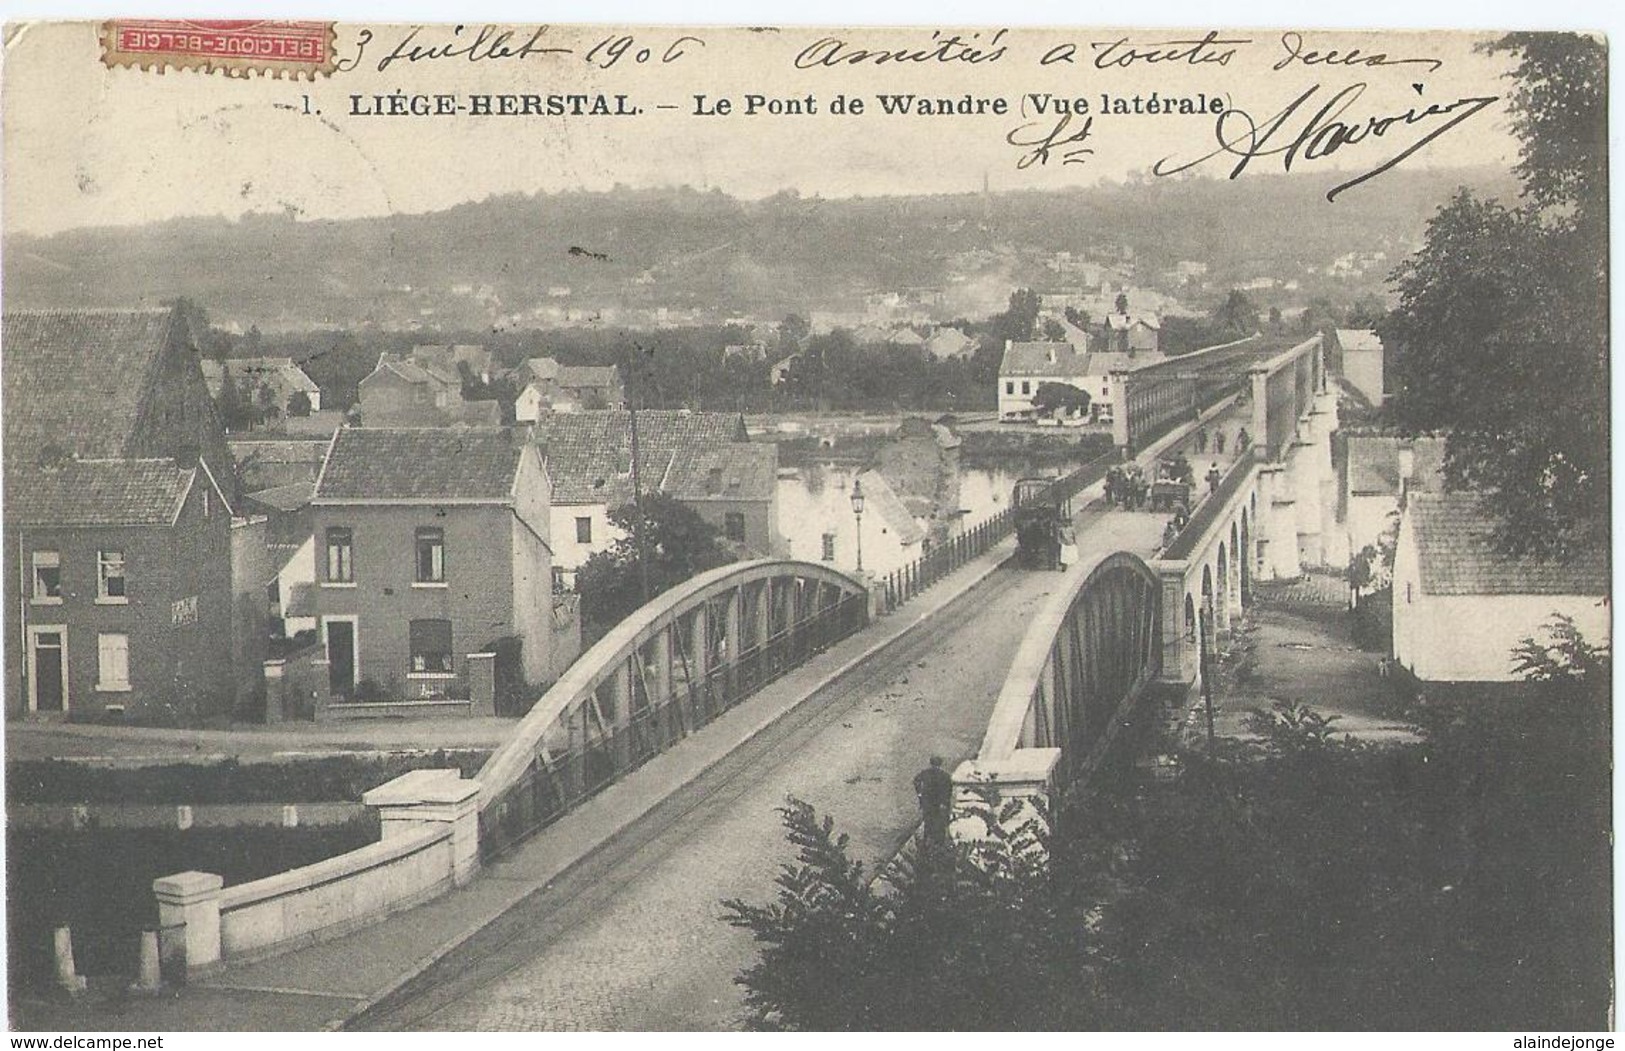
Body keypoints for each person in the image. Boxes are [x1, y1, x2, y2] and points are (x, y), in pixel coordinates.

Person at [914, 756, 954, 846]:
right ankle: (938, 843)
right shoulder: (945, 776)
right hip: (939, 804)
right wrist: (945, 803)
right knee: (939, 823)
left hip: (928, 803)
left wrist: (920, 793)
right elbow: (948, 791)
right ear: (940, 764)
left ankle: (928, 843)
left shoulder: (925, 773)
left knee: (928, 822)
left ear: (931, 763)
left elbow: (916, 781)